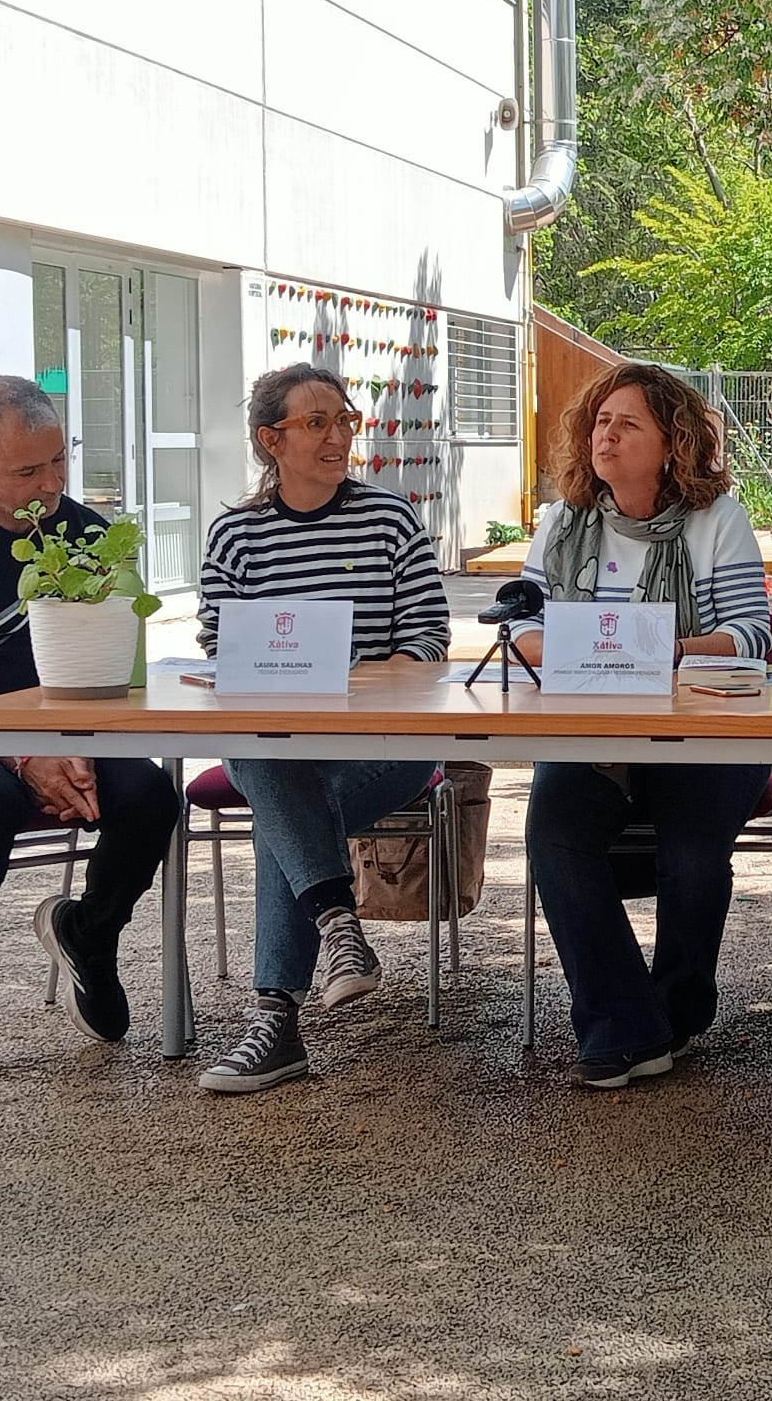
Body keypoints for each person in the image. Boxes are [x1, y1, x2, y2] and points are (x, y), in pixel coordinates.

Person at [0, 376, 180, 1071]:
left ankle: (89, 935)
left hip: (60, 732)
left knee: (149, 797)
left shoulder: (89, 535)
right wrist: (20, 755)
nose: (49, 485)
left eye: (57, 463)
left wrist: (66, 747)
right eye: (26, 470)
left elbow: (112, 673)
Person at [514, 362, 772, 1088]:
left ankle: (678, 1011)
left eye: (627, 423)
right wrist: (549, 643)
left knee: (691, 853)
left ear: (672, 442)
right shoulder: (563, 522)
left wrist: (656, 651)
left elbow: (750, 634)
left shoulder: (715, 519)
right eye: (599, 421)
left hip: (704, 733)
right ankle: (623, 1025)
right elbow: (525, 624)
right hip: (591, 731)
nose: (607, 435)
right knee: (552, 830)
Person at [194, 363, 449, 1093]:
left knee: (279, 793)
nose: (338, 436)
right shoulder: (237, 534)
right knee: (273, 767)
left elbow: (429, 640)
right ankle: (337, 930)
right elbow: (221, 643)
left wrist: (354, 684)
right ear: (270, 440)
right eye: (317, 423)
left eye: (344, 420)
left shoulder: (390, 520)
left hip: (387, 748)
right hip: (276, 744)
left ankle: (276, 1022)